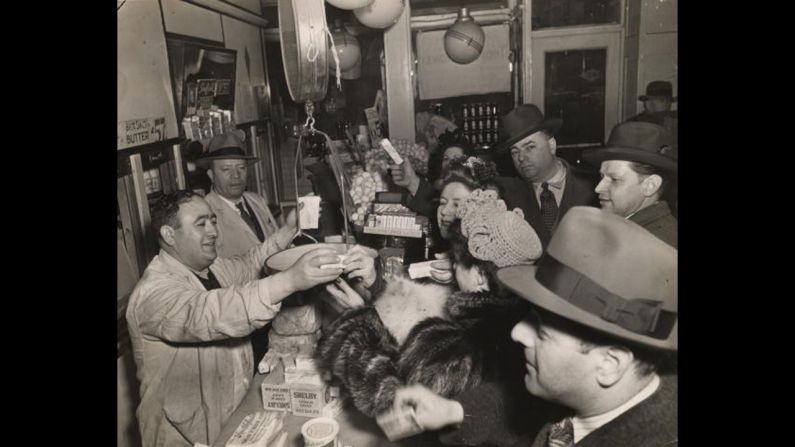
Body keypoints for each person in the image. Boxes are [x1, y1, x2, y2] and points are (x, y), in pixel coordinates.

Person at [394, 207, 678, 446]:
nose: (517, 332)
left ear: (610, 364)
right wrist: (454, 410)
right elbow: (526, 402)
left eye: (542, 331)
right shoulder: (598, 394)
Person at [126, 191, 346, 447]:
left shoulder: (211, 267)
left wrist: (288, 229)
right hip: (181, 434)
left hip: (227, 411)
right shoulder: (152, 293)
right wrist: (290, 280)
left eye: (213, 221)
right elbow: (209, 313)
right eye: (201, 224)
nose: (212, 231)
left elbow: (250, 263)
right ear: (168, 235)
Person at [316, 189, 543, 419]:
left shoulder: (463, 349)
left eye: (456, 261)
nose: (453, 267)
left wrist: (360, 322)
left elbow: (394, 404)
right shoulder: (521, 321)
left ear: (481, 276)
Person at [494, 104, 598, 248]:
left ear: (552, 145)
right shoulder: (508, 196)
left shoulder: (594, 187)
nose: (521, 158)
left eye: (530, 147)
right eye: (515, 151)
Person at [583, 121, 677, 247]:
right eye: (602, 176)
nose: (598, 188)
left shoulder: (658, 246)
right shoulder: (625, 227)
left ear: (650, 185)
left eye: (614, 179)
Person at [196, 130, 281, 259]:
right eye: (226, 169)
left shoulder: (257, 200)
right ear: (211, 175)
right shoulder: (204, 213)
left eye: (241, 168)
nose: (236, 175)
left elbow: (278, 242)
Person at [627, 80, 678, 146]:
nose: (667, 104)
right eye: (661, 100)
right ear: (647, 103)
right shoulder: (634, 123)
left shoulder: (673, 117)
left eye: (669, 101)